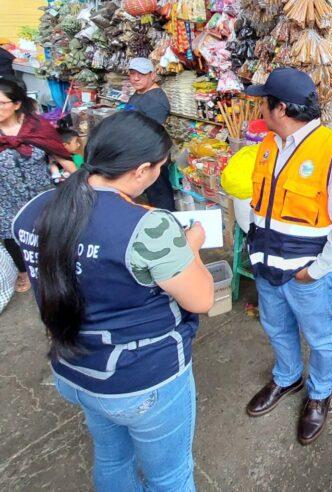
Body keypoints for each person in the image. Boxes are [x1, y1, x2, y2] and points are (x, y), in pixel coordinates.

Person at [12, 111, 214, 491]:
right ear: (141, 170)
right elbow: (201, 298)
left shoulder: (33, 210)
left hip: (74, 369)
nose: (159, 174)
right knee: (170, 476)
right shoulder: (149, 226)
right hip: (141, 379)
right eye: (160, 167)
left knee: (111, 458)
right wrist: (193, 248)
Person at [243, 67, 332, 445]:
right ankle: (287, 377)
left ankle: (319, 393)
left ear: (280, 109)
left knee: (320, 336)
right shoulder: (267, 145)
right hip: (266, 266)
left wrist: (317, 270)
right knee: (275, 327)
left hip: (304, 274)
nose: (260, 107)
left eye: (264, 101)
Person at [0, 79, 74, 294]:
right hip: (6, 197)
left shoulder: (37, 127)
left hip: (41, 194)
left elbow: (63, 158)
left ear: (16, 104)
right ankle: (24, 272)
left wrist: (89, 184)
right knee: (10, 235)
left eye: (3, 103)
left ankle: (57, 267)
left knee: (51, 231)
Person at [127, 57, 174, 211]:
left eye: (141, 74)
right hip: (140, 155)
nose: (135, 78)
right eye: (132, 73)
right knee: (151, 196)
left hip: (152, 156)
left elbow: (152, 133)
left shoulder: (156, 99)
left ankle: (167, 225)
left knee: (160, 195)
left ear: (152, 75)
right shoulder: (140, 93)